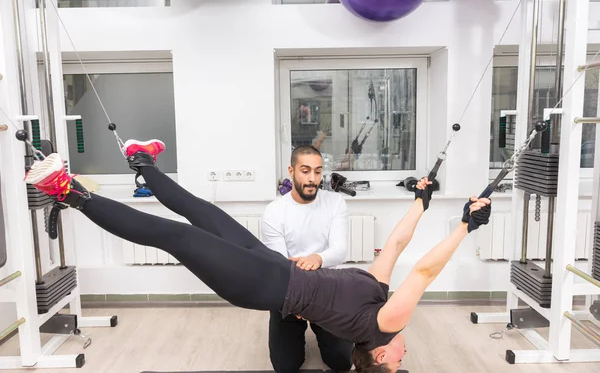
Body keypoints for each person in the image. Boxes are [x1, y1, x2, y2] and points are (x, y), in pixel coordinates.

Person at [23, 138, 492, 373]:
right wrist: (421, 201)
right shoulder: (379, 296)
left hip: (264, 285)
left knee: (177, 238)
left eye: (400, 361)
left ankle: (66, 192)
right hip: (275, 270)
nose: (406, 354)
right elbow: (397, 245)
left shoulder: (384, 325)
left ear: (382, 354)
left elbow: (427, 271)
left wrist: (465, 227)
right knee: (205, 214)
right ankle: (143, 162)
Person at [261, 145, 352, 373]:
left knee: (342, 362)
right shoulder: (274, 211)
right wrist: (300, 300)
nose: (313, 179)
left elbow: (340, 250)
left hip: (327, 290)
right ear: (291, 171)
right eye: (305, 171)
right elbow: (281, 266)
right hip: (289, 293)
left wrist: (317, 258)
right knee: (286, 367)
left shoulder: (335, 203)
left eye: (318, 171)